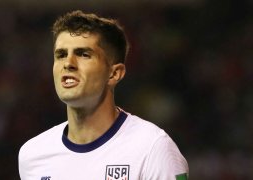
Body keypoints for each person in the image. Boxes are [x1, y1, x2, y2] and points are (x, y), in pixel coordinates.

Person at [18, 10, 189, 180]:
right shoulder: (33, 155)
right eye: (61, 55)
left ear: (114, 74)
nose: (68, 64)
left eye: (84, 54)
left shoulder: (153, 148)